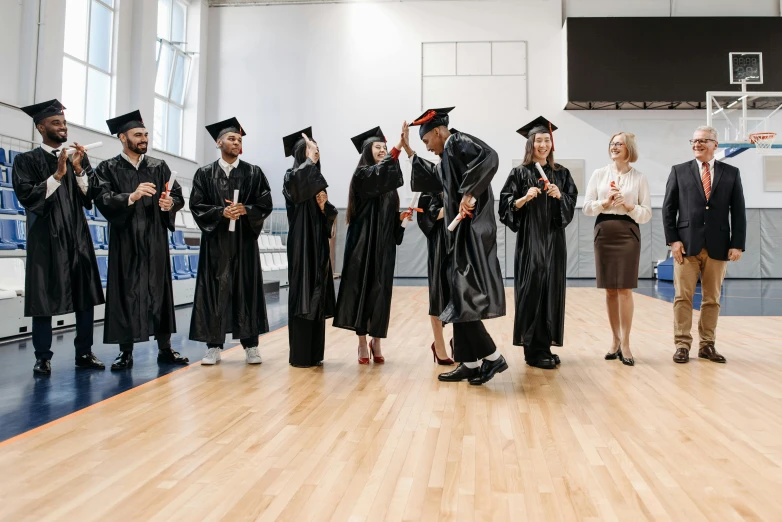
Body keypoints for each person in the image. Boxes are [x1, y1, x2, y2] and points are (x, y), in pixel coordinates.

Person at [407, 107, 507, 385]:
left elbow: (491, 157)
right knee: (457, 297)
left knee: (464, 297)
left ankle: (493, 356)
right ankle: (471, 363)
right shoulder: (447, 154)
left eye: (426, 141)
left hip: (471, 232)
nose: (427, 147)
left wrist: (471, 192)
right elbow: (435, 178)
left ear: (437, 132)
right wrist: (409, 153)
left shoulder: (458, 141)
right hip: (459, 233)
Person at [12, 99, 105, 375]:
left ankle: (85, 353)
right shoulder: (25, 161)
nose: (62, 127)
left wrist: (78, 171)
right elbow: (27, 197)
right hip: (45, 238)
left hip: (77, 235)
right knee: (42, 299)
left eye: (64, 123)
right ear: (41, 127)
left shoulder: (78, 157)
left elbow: (90, 197)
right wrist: (57, 175)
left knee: (84, 296)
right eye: (56, 123)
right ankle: (42, 357)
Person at [94, 110, 189, 370]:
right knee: (126, 292)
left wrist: (171, 203)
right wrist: (131, 197)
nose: (143, 139)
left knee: (159, 292)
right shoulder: (108, 168)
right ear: (122, 137)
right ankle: (126, 352)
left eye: (146, 134)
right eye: (138, 135)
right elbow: (102, 199)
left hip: (154, 239)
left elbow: (177, 196)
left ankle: (165, 348)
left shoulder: (159, 167)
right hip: (126, 241)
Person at [189, 118, 273, 365]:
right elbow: (196, 205)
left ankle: (251, 346)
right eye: (231, 138)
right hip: (216, 243)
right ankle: (214, 346)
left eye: (239, 139)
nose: (236, 142)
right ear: (219, 142)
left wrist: (245, 209)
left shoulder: (253, 172)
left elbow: (265, 203)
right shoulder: (204, 173)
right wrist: (220, 212)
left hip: (244, 242)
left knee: (246, 290)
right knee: (215, 291)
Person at [662, 125, 746, 364]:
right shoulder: (679, 171)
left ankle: (707, 345)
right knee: (682, 297)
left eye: (703, 141)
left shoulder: (731, 173)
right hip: (686, 245)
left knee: (712, 299)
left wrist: (737, 243)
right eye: (694, 140)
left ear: (715, 145)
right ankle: (682, 345)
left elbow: (738, 211)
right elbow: (669, 210)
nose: (697, 144)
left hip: (719, 246)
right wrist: (673, 240)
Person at [498, 116, 577, 370]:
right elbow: (505, 207)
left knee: (550, 289)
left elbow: (570, 205)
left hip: (554, 242)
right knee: (532, 290)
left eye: (546, 140)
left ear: (551, 144)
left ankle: (544, 346)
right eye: (538, 140)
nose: (542, 145)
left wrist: (559, 196)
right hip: (530, 242)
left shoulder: (561, 174)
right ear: (530, 144)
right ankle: (532, 350)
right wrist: (523, 198)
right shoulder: (519, 173)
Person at [332, 125, 410, 364]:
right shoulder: (362, 176)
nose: (383, 150)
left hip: (384, 251)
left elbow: (393, 231)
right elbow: (377, 177)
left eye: (385, 147)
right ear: (367, 150)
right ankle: (361, 343)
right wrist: (398, 148)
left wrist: (403, 221)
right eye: (378, 147)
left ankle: (377, 340)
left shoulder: (389, 191)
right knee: (362, 293)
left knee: (381, 295)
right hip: (362, 249)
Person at [583, 132, 651, 366]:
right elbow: (587, 208)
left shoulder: (639, 177)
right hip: (604, 231)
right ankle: (614, 339)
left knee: (625, 290)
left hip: (628, 232)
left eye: (619, 144)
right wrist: (605, 202)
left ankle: (627, 343)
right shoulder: (599, 174)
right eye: (612, 144)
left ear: (629, 148)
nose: (614, 147)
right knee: (609, 290)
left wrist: (629, 205)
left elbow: (646, 214)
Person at [281, 127, 338, 368]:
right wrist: (310, 161)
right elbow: (296, 189)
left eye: (317, 151)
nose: (316, 154)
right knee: (302, 297)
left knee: (316, 296)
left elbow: (329, 223)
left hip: (318, 249)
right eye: (309, 150)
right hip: (301, 247)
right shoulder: (291, 175)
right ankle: (300, 355)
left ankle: (314, 353)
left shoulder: (317, 184)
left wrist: (327, 207)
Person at [416, 190, 454, 365]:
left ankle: (459, 340)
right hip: (439, 243)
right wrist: (453, 206)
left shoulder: (461, 180)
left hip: (460, 242)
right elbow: (426, 218)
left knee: (461, 295)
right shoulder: (429, 188)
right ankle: (438, 344)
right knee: (438, 295)